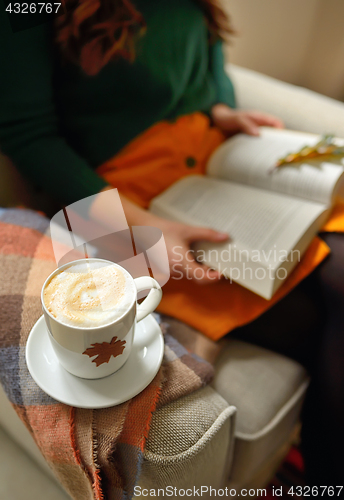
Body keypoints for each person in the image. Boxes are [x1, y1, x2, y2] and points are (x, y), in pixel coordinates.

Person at [0, 0, 343, 489]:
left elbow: (208, 61)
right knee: (319, 316)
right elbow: (28, 136)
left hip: (211, 161)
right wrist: (144, 228)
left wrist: (222, 109)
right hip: (117, 197)